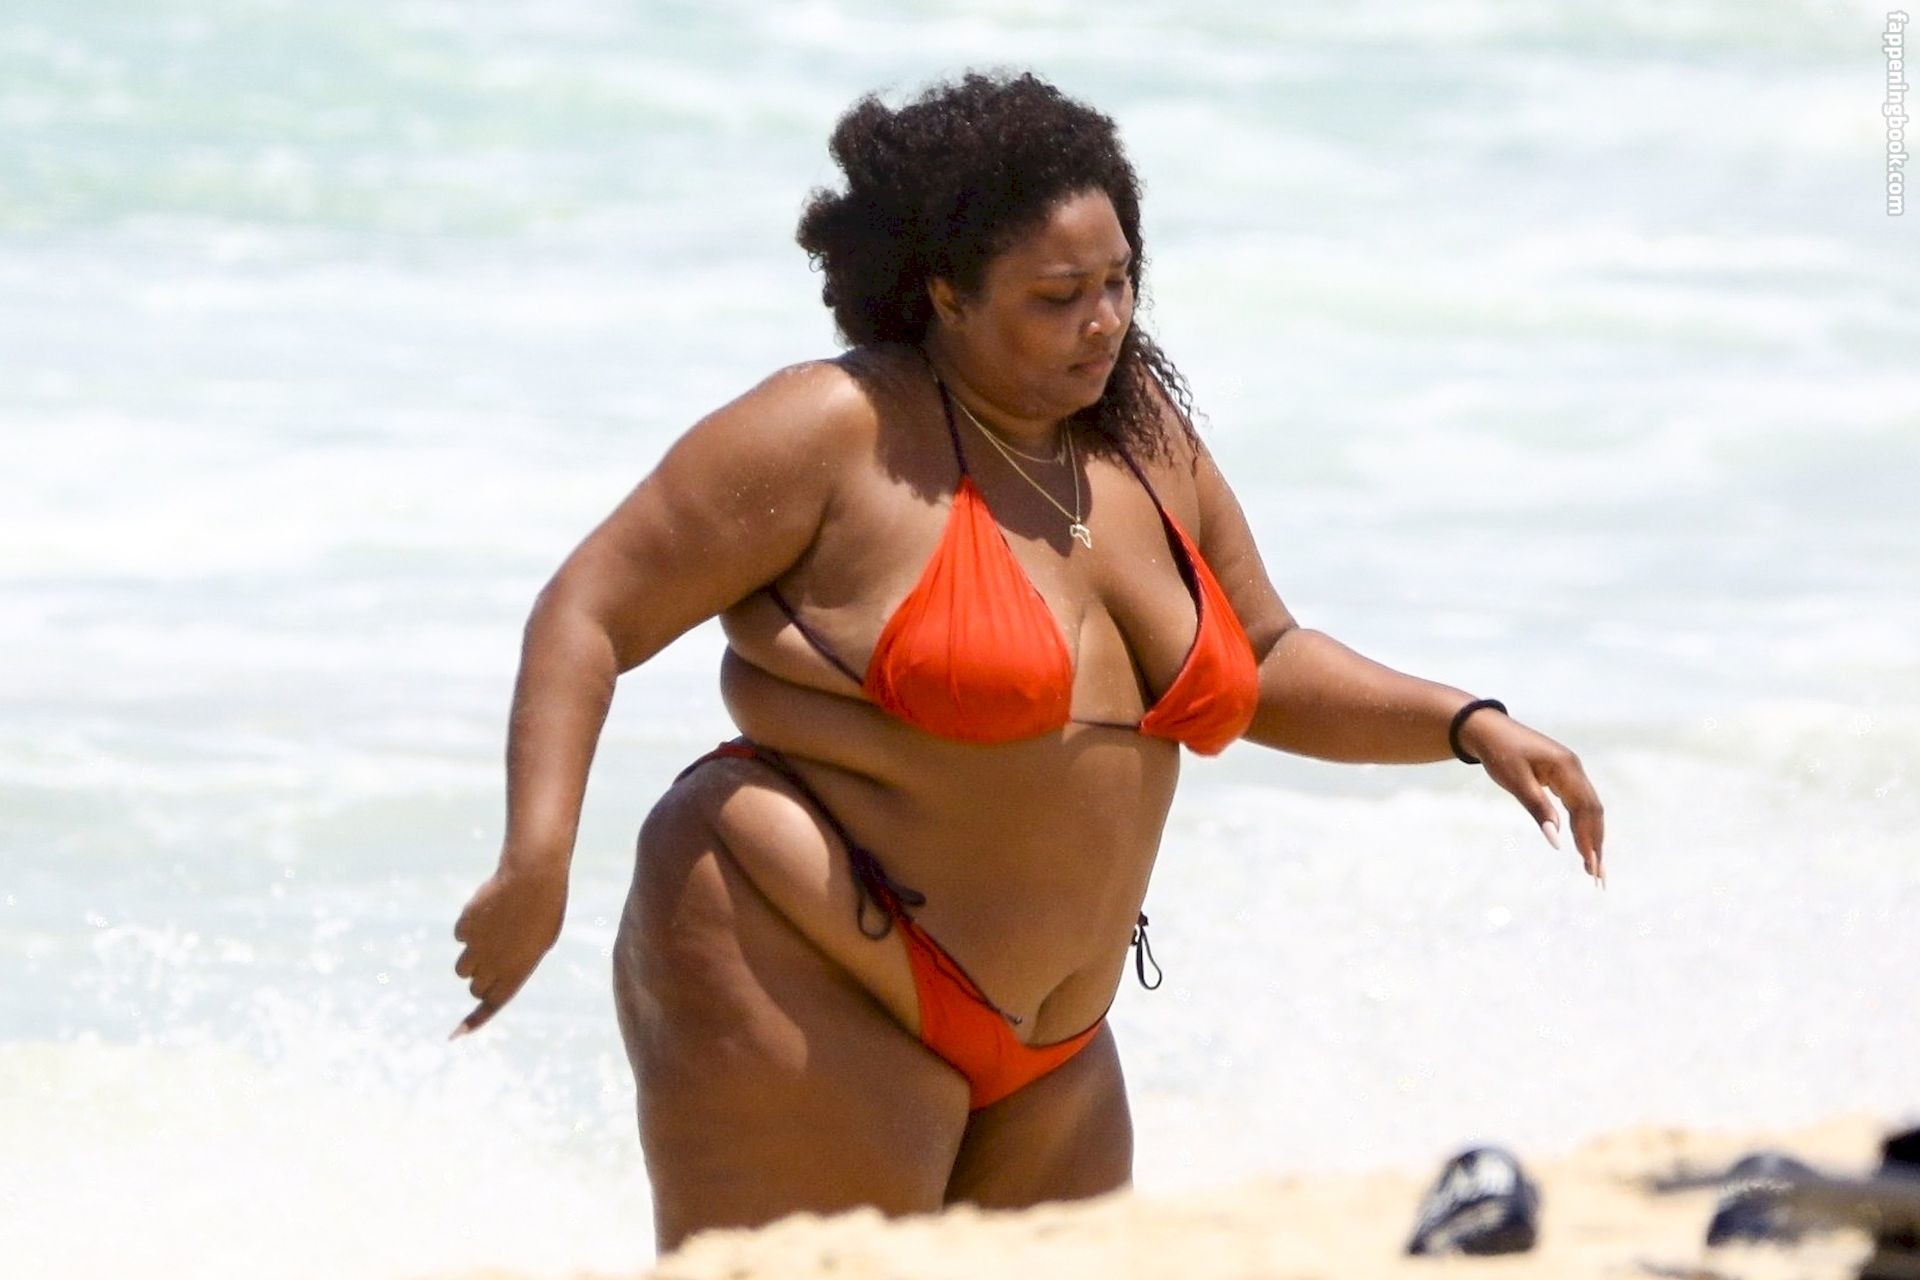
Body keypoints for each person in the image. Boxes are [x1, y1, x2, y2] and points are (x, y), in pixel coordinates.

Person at [449, 70, 1607, 1252]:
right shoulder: (837, 431)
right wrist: (537, 859)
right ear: (945, 292)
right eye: (1059, 296)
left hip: (1056, 1040)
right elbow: (590, 609)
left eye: (1120, 281)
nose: (1105, 321)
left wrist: (1466, 722)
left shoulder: (1144, 441)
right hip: (799, 952)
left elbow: (1265, 657)